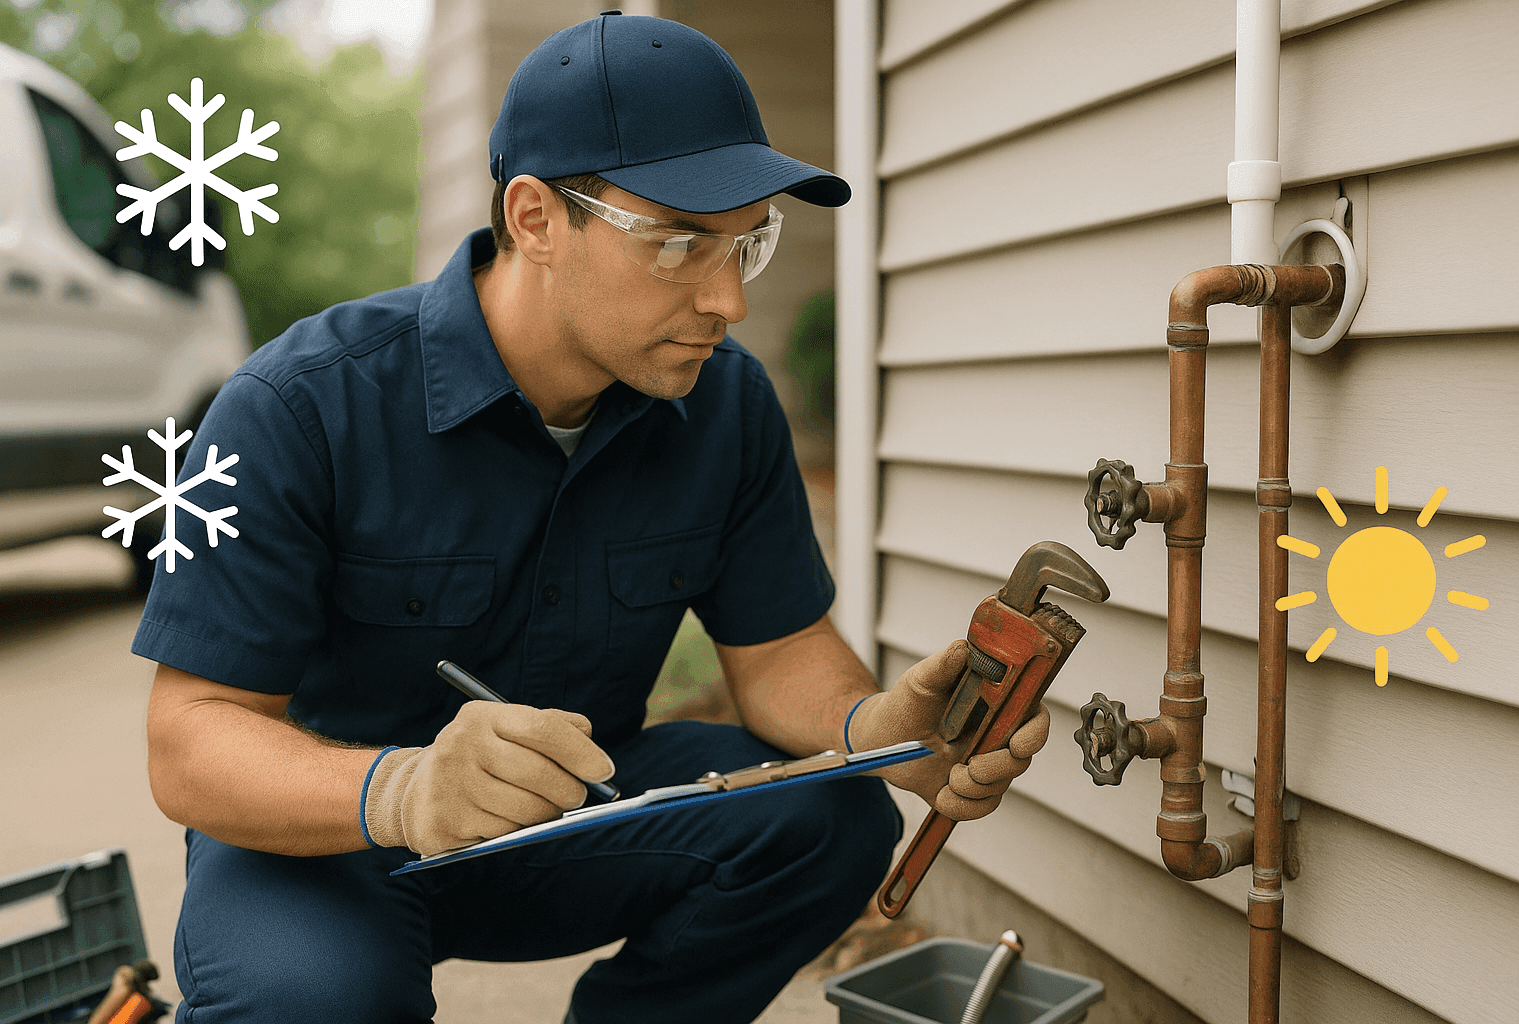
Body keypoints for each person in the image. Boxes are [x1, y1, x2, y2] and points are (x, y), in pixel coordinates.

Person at [135, 13, 1050, 1023]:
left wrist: (889, 735)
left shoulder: (725, 404)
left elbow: (779, 648)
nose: (730, 300)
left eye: (750, 242)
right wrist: (401, 792)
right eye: (678, 243)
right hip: (325, 846)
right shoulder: (300, 407)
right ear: (534, 218)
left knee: (829, 816)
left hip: (573, 820)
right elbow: (191, 741)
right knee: (310, 999)